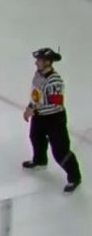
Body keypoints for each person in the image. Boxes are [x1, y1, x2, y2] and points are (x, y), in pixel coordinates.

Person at [22, 47, 81, 193]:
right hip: (40, 116)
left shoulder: (55, 82)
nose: (36, 63)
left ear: (47, 62)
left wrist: (34, 109)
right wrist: (30, 107)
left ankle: (75, 177)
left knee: (60, 151)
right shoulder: (38, 75)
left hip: (55, 119)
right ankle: (40, 160)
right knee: (36, 137)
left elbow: (56, 104)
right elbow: (36, 95)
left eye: (39, 60)